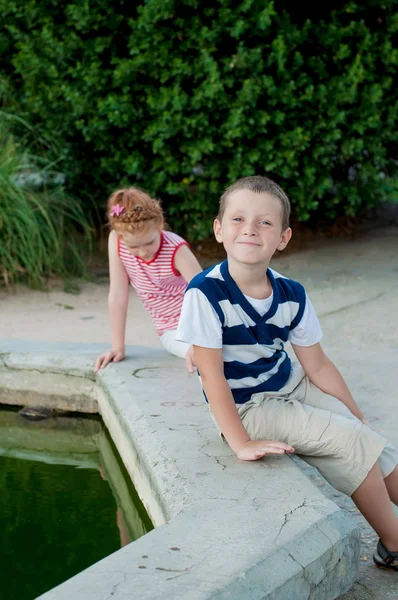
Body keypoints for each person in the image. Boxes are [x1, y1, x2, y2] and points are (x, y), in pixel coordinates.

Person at [176, 175, 398, 571]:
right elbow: (212, 378)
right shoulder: (204, 293)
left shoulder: (291, 293)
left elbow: (316, 364)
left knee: (372, 441)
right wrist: (240, 441)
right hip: (247, 406)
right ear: (219, 229)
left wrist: (355, 410)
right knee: (349, 441)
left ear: (283, 237)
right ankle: (394, 543)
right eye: (239, 219)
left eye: (265, 222)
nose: (250, 229)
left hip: (288, 383)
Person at [94, 187, 202, 373]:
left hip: (201, 323)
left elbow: (205, 294)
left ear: (159, 224)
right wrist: (118, 347)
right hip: (172, 330)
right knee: (203, 357)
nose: (143, 252)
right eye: (134, 246)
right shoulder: (116, 241)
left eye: (149, 242)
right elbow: (118, 294)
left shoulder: (176, 249)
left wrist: (202, 338)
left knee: (224, 350)